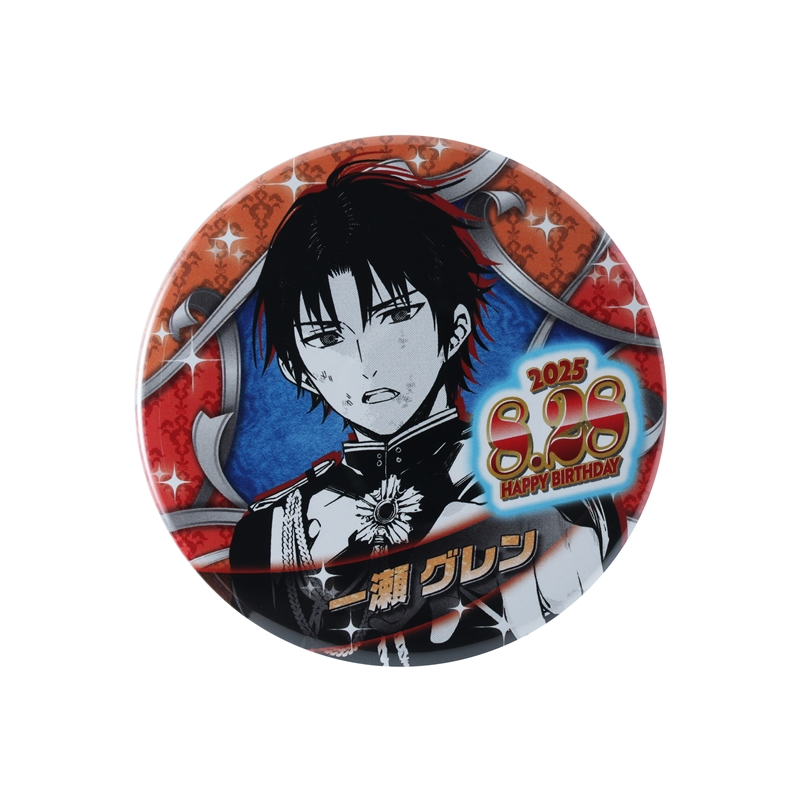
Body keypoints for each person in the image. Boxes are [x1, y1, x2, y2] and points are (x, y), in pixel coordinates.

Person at [229, 159, 622, 665]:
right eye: (327, 337)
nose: (366, 363)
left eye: (394, 316)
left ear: (454, 328)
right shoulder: (268, 536)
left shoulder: (550, 479)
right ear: (297, 369)